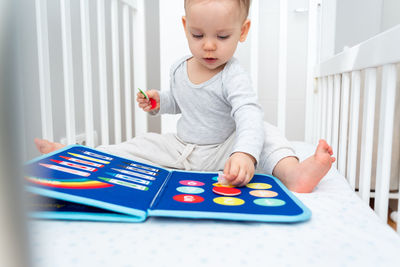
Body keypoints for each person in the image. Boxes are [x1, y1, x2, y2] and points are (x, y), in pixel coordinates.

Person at [35, 0, 335, 193]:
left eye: (221, 36)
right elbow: (181, 101)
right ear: (185, 27)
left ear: (242, 31)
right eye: (198, 35)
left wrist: (244, 153)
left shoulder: (233, 74)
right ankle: (78, 154)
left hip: (224, 149)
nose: (208, 46)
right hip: (182, 149)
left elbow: (247, 114)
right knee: (140, 144)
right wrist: (158, 102)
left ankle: (294, 173)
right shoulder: (180, 67)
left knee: (266, 134)